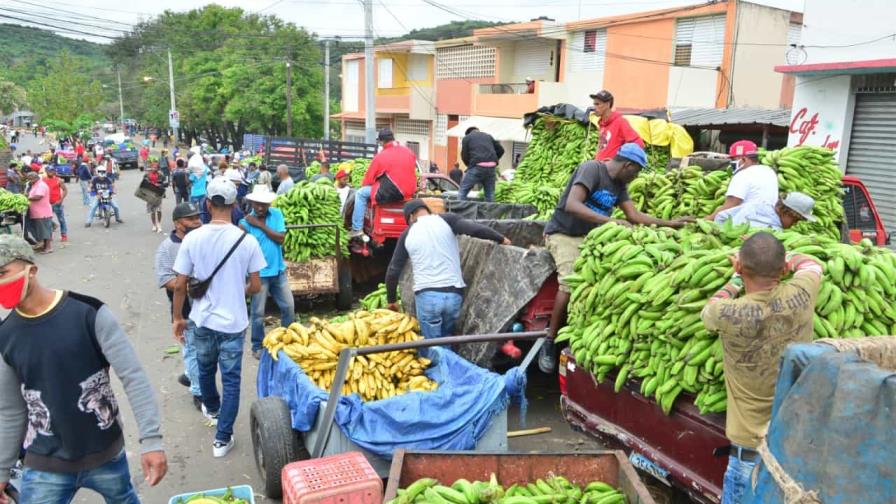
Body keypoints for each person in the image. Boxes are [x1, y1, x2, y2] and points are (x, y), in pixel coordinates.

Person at [0, 235, 167, 502]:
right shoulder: (5, 336)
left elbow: (133, 377)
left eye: (2, 272)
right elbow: (10, 411)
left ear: (31, 270)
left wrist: (152, 440)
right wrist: (2, 471)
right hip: (45, 464)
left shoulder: (88, 313)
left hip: (106, 453)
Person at [539, 144, 694, 372]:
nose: (637, 176)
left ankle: (586, 332)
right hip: (564, 234)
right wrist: (609, 222)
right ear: (627, 165)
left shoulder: (620, 184)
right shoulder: (592, 169)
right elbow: (572, 204)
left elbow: (633, 215)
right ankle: (550, 340)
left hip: (593, 236)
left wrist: (670, 223)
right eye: (637, 171)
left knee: (610, 276)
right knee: (570, 281)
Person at [701, 233, 823, 503]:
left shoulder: (724, 313)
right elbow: (813, 265)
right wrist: (787, 258)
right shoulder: (802, 292)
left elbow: (708, 308)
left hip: (749, 458)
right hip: (794, 456)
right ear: (782, 270)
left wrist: (735, 280)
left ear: (740, 267)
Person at [172, 177, 265, 458]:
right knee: (232, 380)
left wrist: (178, 317)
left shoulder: (192, 238)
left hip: (201, 320)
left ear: (208, 204)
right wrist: (238, 292)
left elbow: (180, 284)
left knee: (205, 369)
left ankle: (211, 408)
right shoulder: (246, 239)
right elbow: (257, 286)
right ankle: (222, 439)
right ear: (235, 204)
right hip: (234, 324)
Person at [385, 199, 510, 339]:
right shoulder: (447, 220)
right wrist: (501, 239)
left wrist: (391, 300)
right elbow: (475, 229)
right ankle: (449, 359)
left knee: (433, 347)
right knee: (445, 340)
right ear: (426, 210)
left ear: (411, 216)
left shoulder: (407, 234)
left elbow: (393, 270)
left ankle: (454, 362)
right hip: (453, 295)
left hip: (427, 297)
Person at [155, 202, 203, 410]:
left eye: (197, 218)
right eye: (190, 219)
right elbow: (166, 279)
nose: (196, 222)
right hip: (184, 309)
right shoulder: (167, 248)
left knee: (199, 349)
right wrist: (189, 283)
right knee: (193, 349)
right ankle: (199, 392)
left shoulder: (203, 241)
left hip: (207, 307)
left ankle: (191, 375)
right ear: (177, 223)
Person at [239, 186, 295, 360]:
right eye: (258, 204)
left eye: (264, 204)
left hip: (278, 271)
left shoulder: (276, 214)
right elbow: (240, 248)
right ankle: (257, 346)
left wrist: (260, 225)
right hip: (259, 274)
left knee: (289, 307)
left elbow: (280, 238)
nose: (261, 208)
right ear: (252, 203)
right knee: (257, 313)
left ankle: (287, 341)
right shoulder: (244, 223)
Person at [351, 128, 417, 237]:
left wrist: (365, 185)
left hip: (393, 192)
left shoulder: (381, 156)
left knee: (361, 193)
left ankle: (357, 228)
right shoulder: (409, 152)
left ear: (381, 142)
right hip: (409, 192)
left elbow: (368, 179)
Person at [706, 140, 779, 220]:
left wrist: (707, 219)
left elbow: (730, 205)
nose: (731, 163)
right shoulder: (769, 171)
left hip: (748, 223)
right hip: (770, 221)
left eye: (733, 159)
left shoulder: (743, 175)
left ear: (744, 160)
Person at [714, 192, 817, 231]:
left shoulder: (756, 205)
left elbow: (720, 216)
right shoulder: (774, 231)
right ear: (787, 213)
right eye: (795, 220)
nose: (794, 224)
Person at [590, 90, 644, 161]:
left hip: (611, 170)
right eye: (594, 104)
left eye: (597, 104)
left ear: (607, 104)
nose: (594, 107)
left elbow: (639, 144)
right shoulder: (602, 124)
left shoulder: (620, 122)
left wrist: (619, 160)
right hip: (600, 167)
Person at [459, 126, 504, 202]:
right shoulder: (488, 136)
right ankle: (489, 213)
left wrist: (469, 165)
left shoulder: (467, 138)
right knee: (490, 194)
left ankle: (460, 211)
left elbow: (465, 156)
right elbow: (501, 150)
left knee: (463, 191)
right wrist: (493, 160)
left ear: (468, 134)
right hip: (491, 168)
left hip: (477, 167)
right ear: (478, 131)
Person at [26, 172, 53, 253]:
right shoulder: (35, 184)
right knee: (41, 230)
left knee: (45, 230)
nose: (29, 181)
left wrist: (27, 198)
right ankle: (44, 246)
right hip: (37, 212)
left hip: (42, 212)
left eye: (30, 179)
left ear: (35, 178)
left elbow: (38, 196)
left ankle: (48, 247)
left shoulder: (41, 185)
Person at [43, 166, 68, 242]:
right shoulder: (43, 180)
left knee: (61, 219)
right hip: (47, 204)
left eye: (52, 170)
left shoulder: (59, 180)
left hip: (57, 203)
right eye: (49, 171)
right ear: (46, 171)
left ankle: (64, 235)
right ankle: (49, 236)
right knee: (47, 221)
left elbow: (65, 190)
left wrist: (61, 200)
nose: (51, 172)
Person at [144, 159, 166, 233]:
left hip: (158, 194)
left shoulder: (161, 174)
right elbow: (143, 184)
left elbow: (165, 183)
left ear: (158, 168)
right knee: (152, 211)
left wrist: (160, 185)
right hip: (150, 194)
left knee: (159, 210)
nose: (154, 169)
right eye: (153, 167)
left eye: (156, 167)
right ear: (151, 167)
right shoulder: (147, 175)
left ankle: (159, 224)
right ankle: (154, 225)